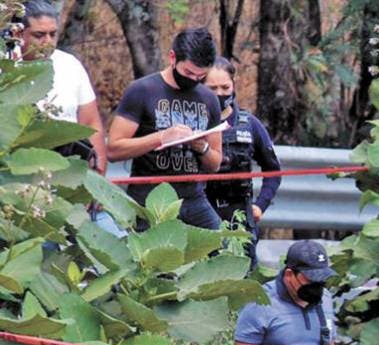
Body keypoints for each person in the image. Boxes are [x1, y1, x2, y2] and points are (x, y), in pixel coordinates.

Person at [17, 0, 123, 237]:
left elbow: (91, 124)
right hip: (22, 181)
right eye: (39, 35)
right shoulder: (7, 69)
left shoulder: (69, 65)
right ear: (19, 34)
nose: (47, 42)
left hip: (71, 176)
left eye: (53, 34)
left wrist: (96, 184)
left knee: (115, 240)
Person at [107, 27, 224, 230]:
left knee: (224, 245)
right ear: (172, 58)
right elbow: (113, 150)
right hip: (149, 199)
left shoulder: (209, 99)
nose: (193, 79)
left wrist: (202, 147)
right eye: (188, 72)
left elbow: (215, 163)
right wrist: (162, 137)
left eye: (200, 76)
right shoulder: (142, 90)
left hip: (193, 198)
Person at [203, 57, 282, 264]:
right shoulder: (191, 124)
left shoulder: (250, 125)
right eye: (212, 89)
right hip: (200, 216)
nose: (219, 94)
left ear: (233, 85)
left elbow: (273, 171)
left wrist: (260, 206)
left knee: (243, 275)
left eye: (225, 87)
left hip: (239, 219)